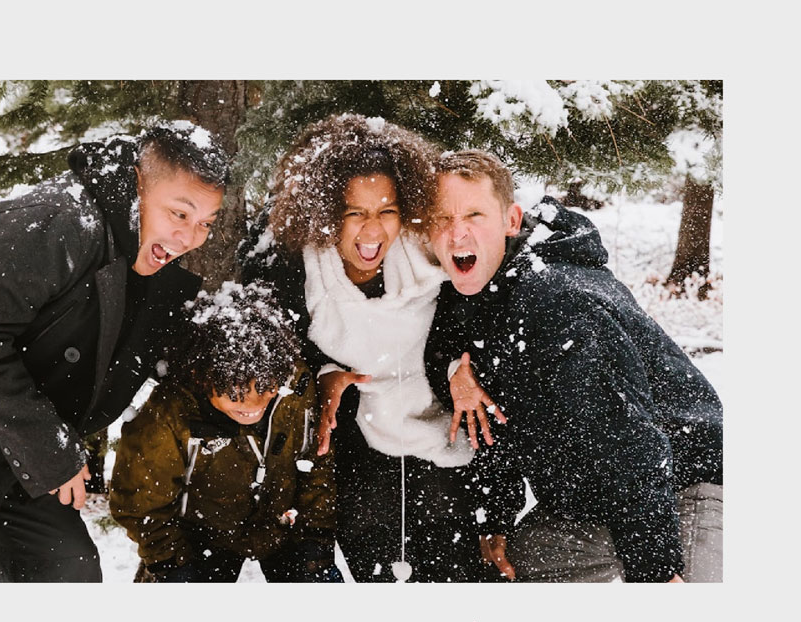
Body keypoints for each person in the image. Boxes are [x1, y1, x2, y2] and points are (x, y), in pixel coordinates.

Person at [0, 122, 230, 582]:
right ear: (137, 185)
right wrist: (53, 454)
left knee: (66, 574)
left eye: (205, 224)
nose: (191, 238)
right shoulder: (57, 218)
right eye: (179, 214)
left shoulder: (140, 253)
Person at [424, 149, 724, 583]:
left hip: (681, 485)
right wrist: (497, 516)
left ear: (511, 221)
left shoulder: (557, 301)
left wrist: (656, 572)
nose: (457, 233)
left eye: (474, 214)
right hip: (592, 504)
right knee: (510, 569)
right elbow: (492, 409)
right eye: (442, 218)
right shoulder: (476, 293)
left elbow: (630, 444)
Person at [241, 115, 495, 582]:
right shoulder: (289, 266)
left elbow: (497, 264)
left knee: (453, 575)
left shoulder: (431, 249)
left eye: (387, 210)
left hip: (443, 436)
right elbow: (269, 344)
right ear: (322, 212)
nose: (373, 231)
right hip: (354, 446)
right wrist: (324, 371)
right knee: (375, 567)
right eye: (354, 213)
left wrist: (462, 361)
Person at [109, 282, 340, 582]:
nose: (253, 404)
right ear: (201, 374)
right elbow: (140, 503)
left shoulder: (295, 385)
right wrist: (171, 563)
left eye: (267, 386)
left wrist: (315, 543)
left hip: (284, 528)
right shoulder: (169, 413)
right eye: (236, 392)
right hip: (196, 540)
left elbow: (316, 463)